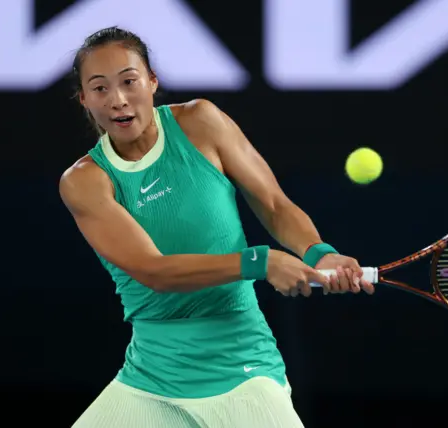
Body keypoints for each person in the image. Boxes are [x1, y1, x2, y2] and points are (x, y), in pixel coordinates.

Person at [59, 26, 375, 428]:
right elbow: (153, 270)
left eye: (129, 81)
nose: (118, 99)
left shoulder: (201, 122)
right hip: (151, 378)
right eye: (100, 88)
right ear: (84, 99)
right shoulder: (85, 181)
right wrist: (260, 262)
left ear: (152, 82)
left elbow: (275, 204)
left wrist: (319, 252)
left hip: (241, 366)